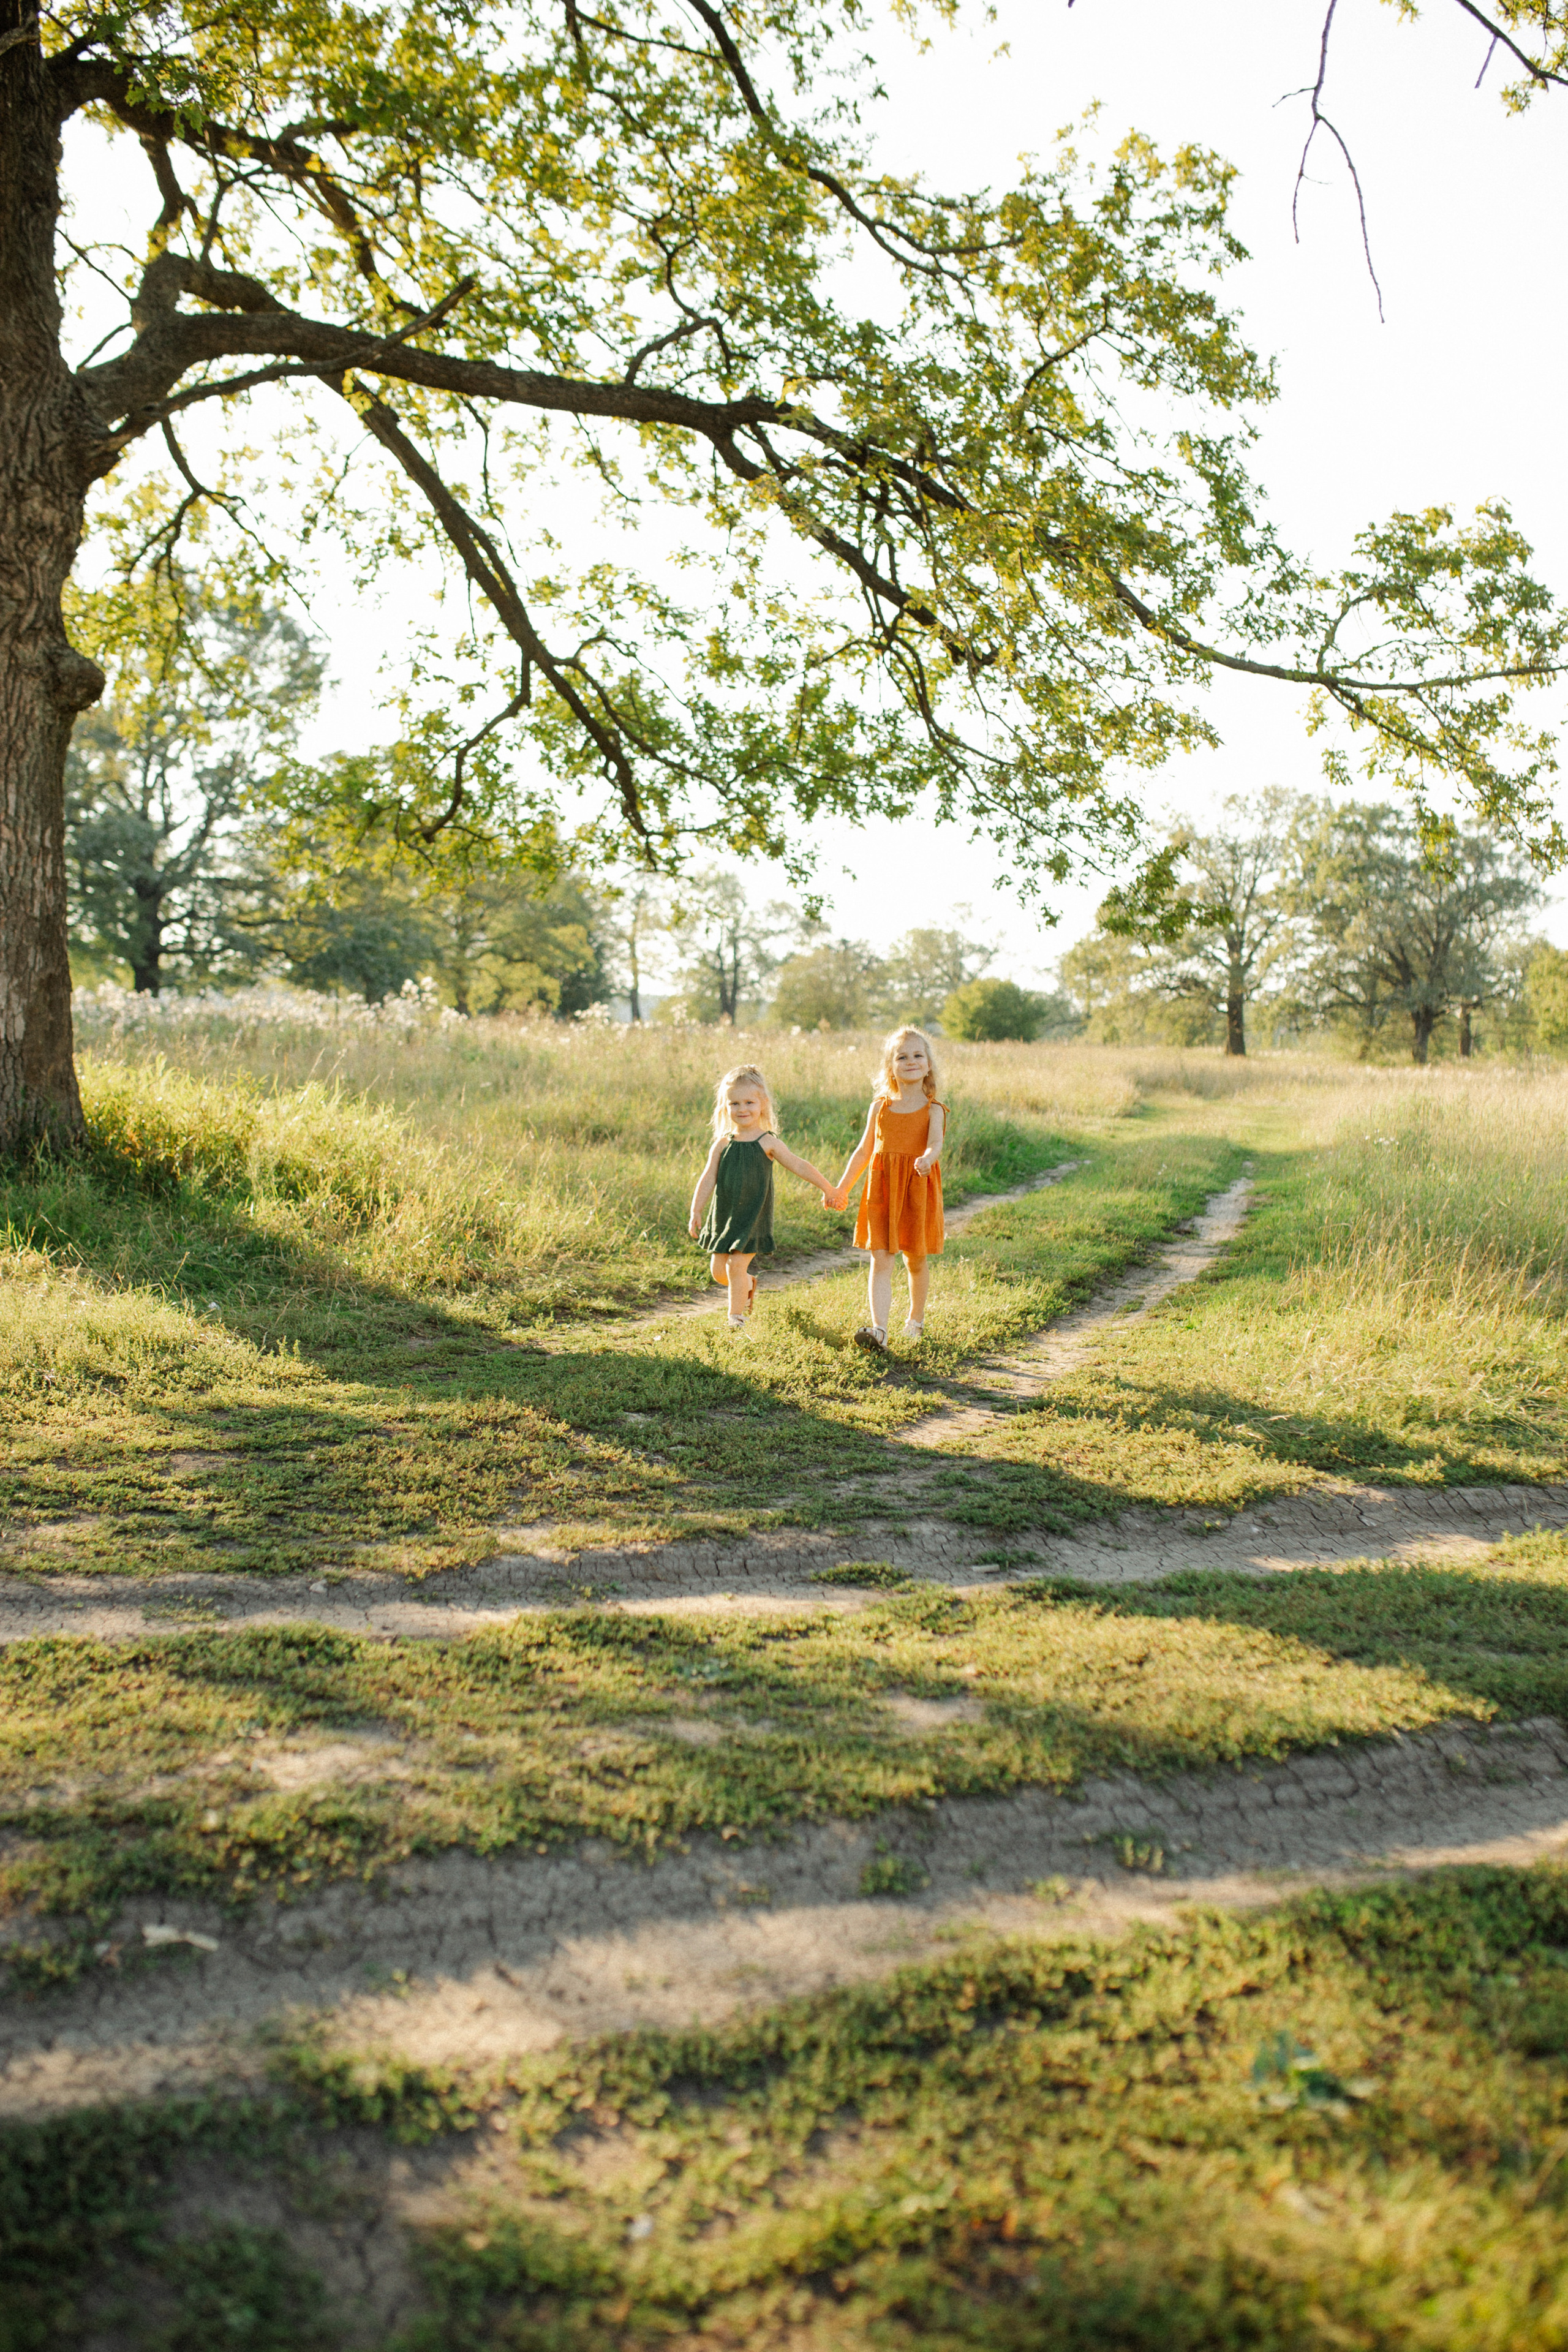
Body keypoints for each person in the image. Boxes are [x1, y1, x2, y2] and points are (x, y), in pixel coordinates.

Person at [689, 1064, 839, 1329]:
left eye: (749, 1102)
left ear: (763, 1104)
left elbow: (799, 1165)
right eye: (735, 1103)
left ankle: (736, 1319)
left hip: (752, 1215)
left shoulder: (767, 1142)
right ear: (726, 1107)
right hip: (724, 1215)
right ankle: (747, 1284)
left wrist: (828, 1188)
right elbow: (708, 1178)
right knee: (719, 1273)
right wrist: (696, 1210)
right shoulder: (722, 1144)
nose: (742, 1109)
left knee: (736, 1264)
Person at [830, 1025, 946, 1352]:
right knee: (880, 1258)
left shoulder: (933, 1109)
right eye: (902, 1056)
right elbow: (864, 1151)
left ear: (928, 1065)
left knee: (916, 1260)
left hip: (916, 1188)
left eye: (917, 1055)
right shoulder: (880, 1107)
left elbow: (936, 1143)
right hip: (882, 1189)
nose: (911, 1061)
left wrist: (927, 1157)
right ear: (891, 1066)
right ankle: (879, 1330)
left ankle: (916, 1320)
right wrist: (842, 1188)